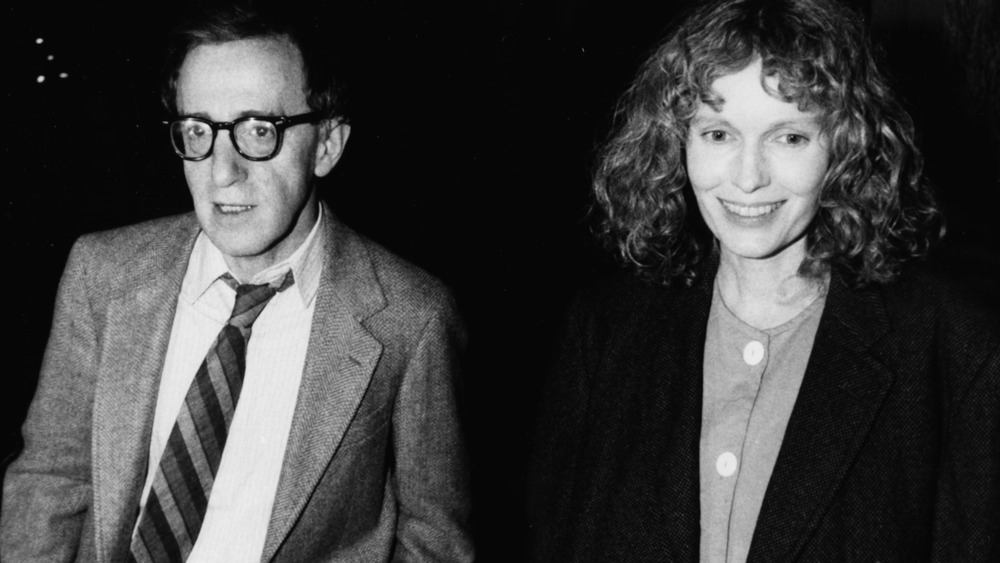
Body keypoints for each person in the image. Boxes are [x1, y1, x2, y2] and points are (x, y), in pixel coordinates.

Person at [1, 3, 473, 562]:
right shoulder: (103, 273)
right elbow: (50, 480)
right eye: (198, 130)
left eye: (258, 130)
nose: (222, 171)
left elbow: (434, 537)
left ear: (327, 145)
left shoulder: (410, 318)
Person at [529, 0, 999, 561]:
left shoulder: (952, 347)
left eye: (790, 137)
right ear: (677, 142)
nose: (748, 178)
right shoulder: (604, 328)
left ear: (845, 148)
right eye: (718, 134)